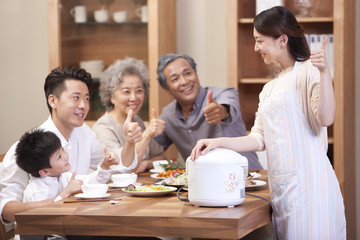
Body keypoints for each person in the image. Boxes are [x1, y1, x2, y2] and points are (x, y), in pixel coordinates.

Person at [191, 6, 346, 239]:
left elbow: (326, 118)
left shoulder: (308, 72)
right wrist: (217, 142)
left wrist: (324, 72)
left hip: (312, 188)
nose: (256, 48)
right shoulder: (269, 88)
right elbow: (259, 138)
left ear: (282, 40)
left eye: (260, 41)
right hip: (281, 188)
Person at [0, 66, 142, 224]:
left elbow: (118, 165)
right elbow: (6, 210)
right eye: (76, 97)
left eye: (87, 98)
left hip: (79, 224)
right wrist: (59, 200)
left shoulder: (83, 133)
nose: (83, 105)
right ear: (53, 100)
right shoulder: (29, 147)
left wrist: (130, 142)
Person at [154, 53, 261, 169]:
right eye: (175, 79)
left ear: (196, 74)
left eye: (187, 73)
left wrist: (220, 111)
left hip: (248, 178)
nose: (184, 81)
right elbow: (153, 150)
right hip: (202, 183)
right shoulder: (168, 116)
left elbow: (226, 108)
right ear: (166, 89)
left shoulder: (223, 94)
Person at [15, 129, 119, 240]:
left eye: (63, 150)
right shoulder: (36, 192)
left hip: (62, 232)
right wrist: (66, 193)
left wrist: (105, 166)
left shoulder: (62, 176)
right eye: (59, 156)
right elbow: (46, 219)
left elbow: (89, 183)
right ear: (45, 171)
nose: (65, 155)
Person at [92, 57, 166, 173]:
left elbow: (161, 157)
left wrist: (145, 164)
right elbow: (121, 170)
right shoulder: (103, 128)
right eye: (126, 91)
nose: (134, 98)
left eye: (139, 91)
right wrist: (147, 135)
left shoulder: (136, 120)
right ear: (111, 96)